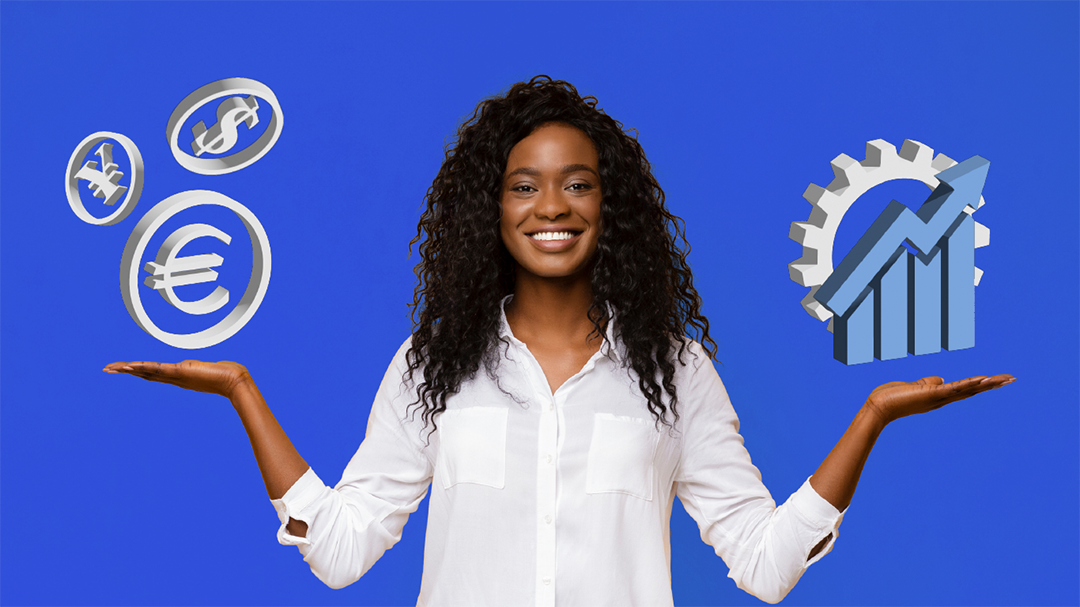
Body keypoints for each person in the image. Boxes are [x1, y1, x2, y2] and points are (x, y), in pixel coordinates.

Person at [104, 76, 1013, 605]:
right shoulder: (433, 367)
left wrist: (872, 417)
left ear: (608, 206)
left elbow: (764, 565)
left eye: (576, 184)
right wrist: (242, 393)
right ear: (490, 209)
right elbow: (341, 550)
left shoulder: (674, 371)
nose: (551, 207)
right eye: (524, 186)